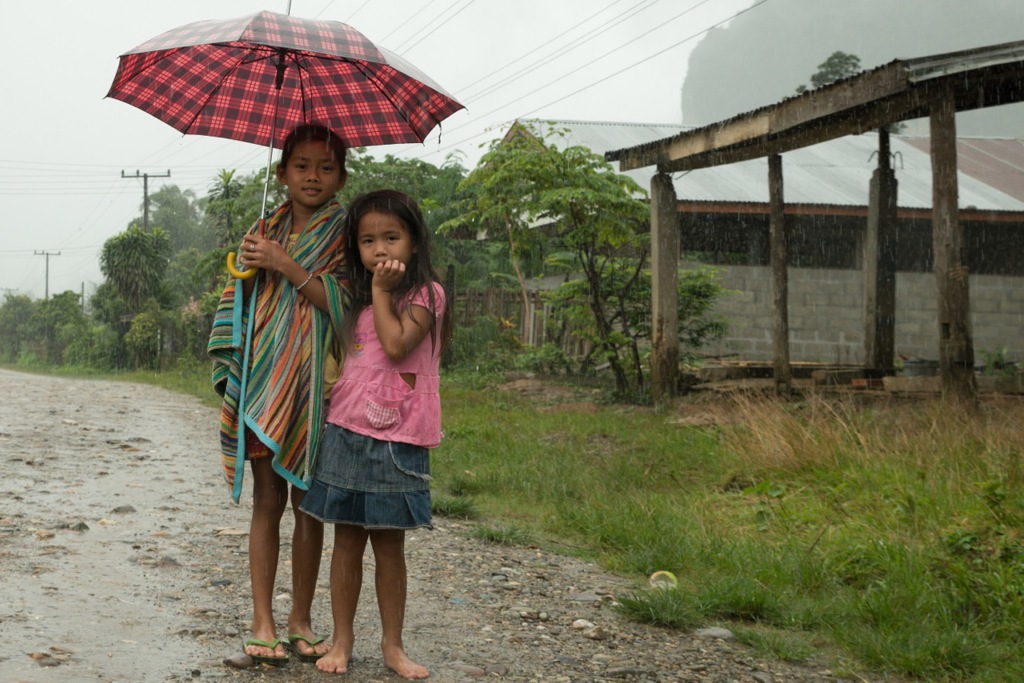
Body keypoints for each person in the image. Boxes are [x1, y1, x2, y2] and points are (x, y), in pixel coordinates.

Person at [208, 123, 349, 666]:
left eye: (327, 167)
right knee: (268, 501)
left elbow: (341, 303)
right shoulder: (265, 224)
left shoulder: (345, 228)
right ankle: (262, 619)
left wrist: (287, 264)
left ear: (341, 176)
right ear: (281, 172)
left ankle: (300, 621)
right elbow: (239, 296)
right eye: (302, 166)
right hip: (264, 380)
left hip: (315, 385)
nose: (313, 177)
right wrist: (246, 266)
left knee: (309, 506)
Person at [300, 189, 452, 678]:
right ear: (356, 248)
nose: (381, 250)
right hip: (346, 430)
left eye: (392, 237)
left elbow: (395, 344)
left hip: (398, 439)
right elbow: (317, 299)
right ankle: (341, 640)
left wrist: (384, 291)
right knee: (345, 541)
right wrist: (283, 263)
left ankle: (393, 646)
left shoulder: (427, 295)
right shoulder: (356, 299)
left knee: (389, 546)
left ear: (413, 241)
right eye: (369, 241)